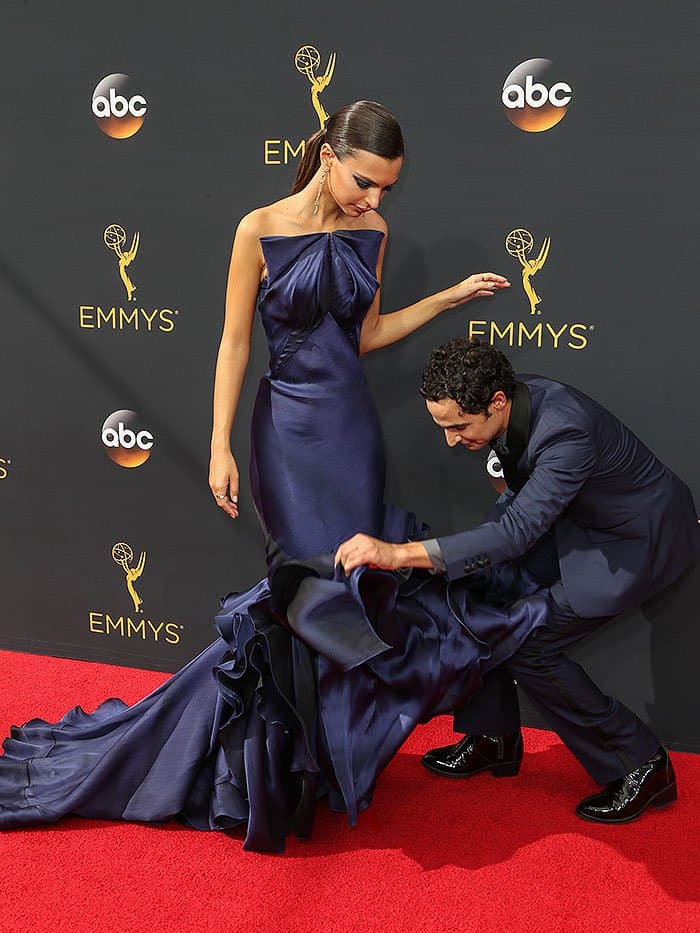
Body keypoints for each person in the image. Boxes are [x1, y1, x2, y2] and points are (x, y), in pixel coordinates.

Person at [0, 102, 548, 853]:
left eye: (387, 188)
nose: (375, 200)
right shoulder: (258, 228)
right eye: (365, 181)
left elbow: (366, 336)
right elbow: (231, 344)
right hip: (287, 435)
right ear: (328, 154)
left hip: (351, 432)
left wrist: (448, 299)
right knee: (303, 594)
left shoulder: (373, 233)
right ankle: (255, 770)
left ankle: (316, 767)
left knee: (354, 587)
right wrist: (220, 443)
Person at [335, 336, 700, 824]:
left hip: (636, 543)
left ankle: (642, 763)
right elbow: (516, 503)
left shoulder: (565, 430)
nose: (450, 440)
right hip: (575, 523)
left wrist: (398, 553)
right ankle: (494, 736)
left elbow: (516, 532)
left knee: (530, 643)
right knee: (474, 589)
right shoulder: (516, 402)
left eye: (459, 426)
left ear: (497, 402)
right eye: (442, 426)